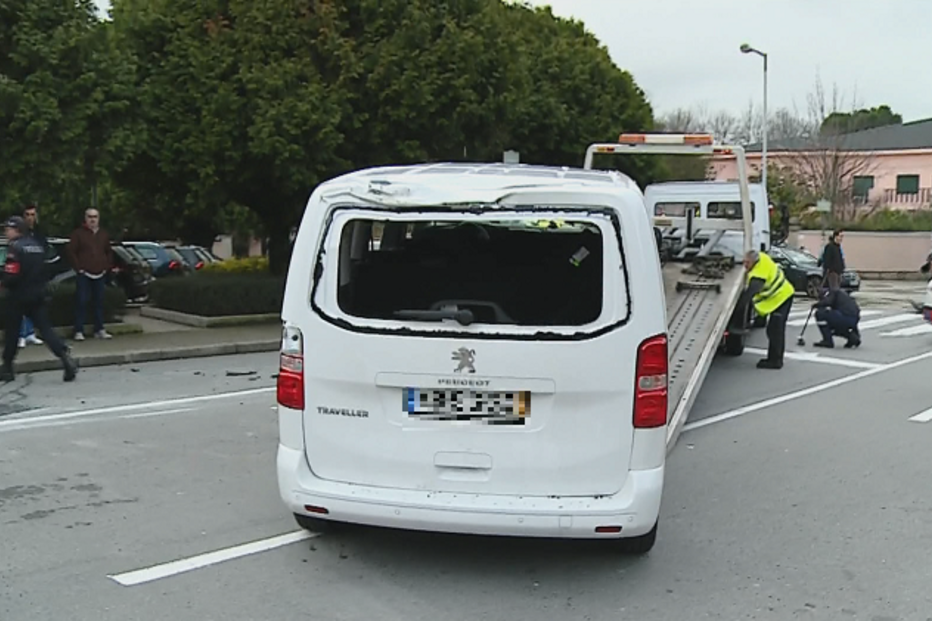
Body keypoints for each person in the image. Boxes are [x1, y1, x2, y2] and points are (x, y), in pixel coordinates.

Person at [1, 216, 78, 382]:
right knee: (45, 329)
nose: (6, 232)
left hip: (18, 295)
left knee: (12, 332)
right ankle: (64, 356)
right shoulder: (37, 246)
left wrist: (3, 282)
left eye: (8, 229)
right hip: (37, 293)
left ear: (17, 230)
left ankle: (7, 367)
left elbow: (12, 275)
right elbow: (45, 269)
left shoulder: (15, 248)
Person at [738, 249, 796, 370]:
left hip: (782, 298)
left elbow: (749, 295)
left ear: (754, 262)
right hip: (779, 296)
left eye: (747, 263)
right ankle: (773, 358)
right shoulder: (762, 257)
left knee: (775, 330)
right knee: (773, 329)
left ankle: (776, 361)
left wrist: (738, 309)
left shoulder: (758, 275)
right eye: (744, 262)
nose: (745, 266)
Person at [64, 208, 113, 341]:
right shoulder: (78, 234)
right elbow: (70, 251)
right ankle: (78, 330)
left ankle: (99, 329)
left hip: (100, 274)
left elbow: (108, 251)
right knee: (81, 301)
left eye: (95, 217)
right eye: (90, 217)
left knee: (99, 302)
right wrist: (78, 267)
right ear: (85, 218)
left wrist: (106, 266)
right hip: (84, 274)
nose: (92, 219)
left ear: (99, 219)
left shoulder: (103, 234)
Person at [18, 204, 48, 348]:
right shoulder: (19, 233)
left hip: (36, 274)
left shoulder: (39, 233)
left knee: (33, 304)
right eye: (27, 215)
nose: (30, 218)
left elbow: (44, 250)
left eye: (33, 215)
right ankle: (21, 334)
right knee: (21, 305)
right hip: (22, 274)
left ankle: (30, 333)